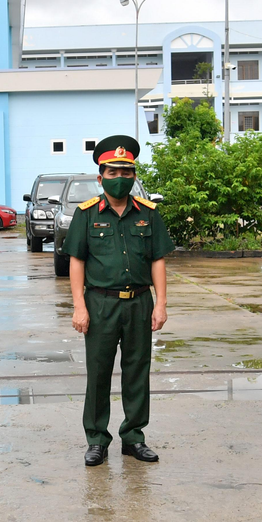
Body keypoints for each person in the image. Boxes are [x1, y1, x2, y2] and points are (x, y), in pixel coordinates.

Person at [64, 135, 174, 467]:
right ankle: (97, 439)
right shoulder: (86, 214)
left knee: (137, 370)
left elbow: (157, 260)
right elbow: (76, 261)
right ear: (101, 178)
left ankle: (134, 437)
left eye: (126, 172)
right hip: (100, 303)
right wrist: (79, 306)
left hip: (139, 302)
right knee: (98, 372)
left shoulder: (148, 214)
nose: (120, 178)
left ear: (134, 176)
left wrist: (161, 303)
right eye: (113, 173)